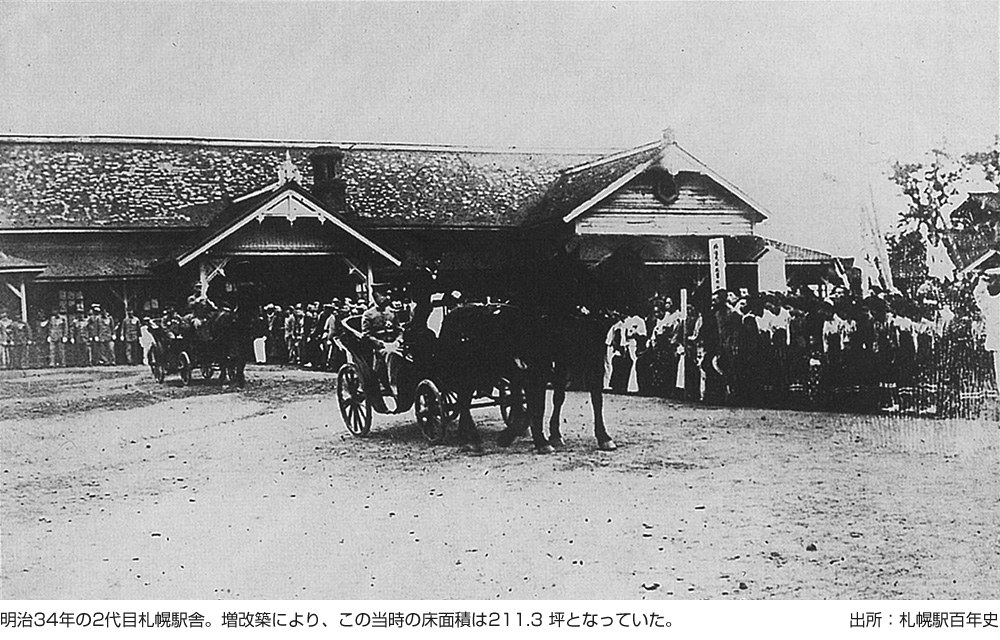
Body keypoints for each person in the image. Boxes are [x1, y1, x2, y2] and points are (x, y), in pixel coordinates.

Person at [362, 291, 400, 394]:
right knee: (391, 354)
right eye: (382, 295)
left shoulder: (392, 312)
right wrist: (380, 343)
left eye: (387, 295)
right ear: (375, 297)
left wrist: (398, 341)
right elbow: (366, 335)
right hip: (379, 347)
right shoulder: (368, 314)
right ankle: (393, 385)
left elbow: (399, 330)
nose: (387, 298)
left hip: (394, 344)